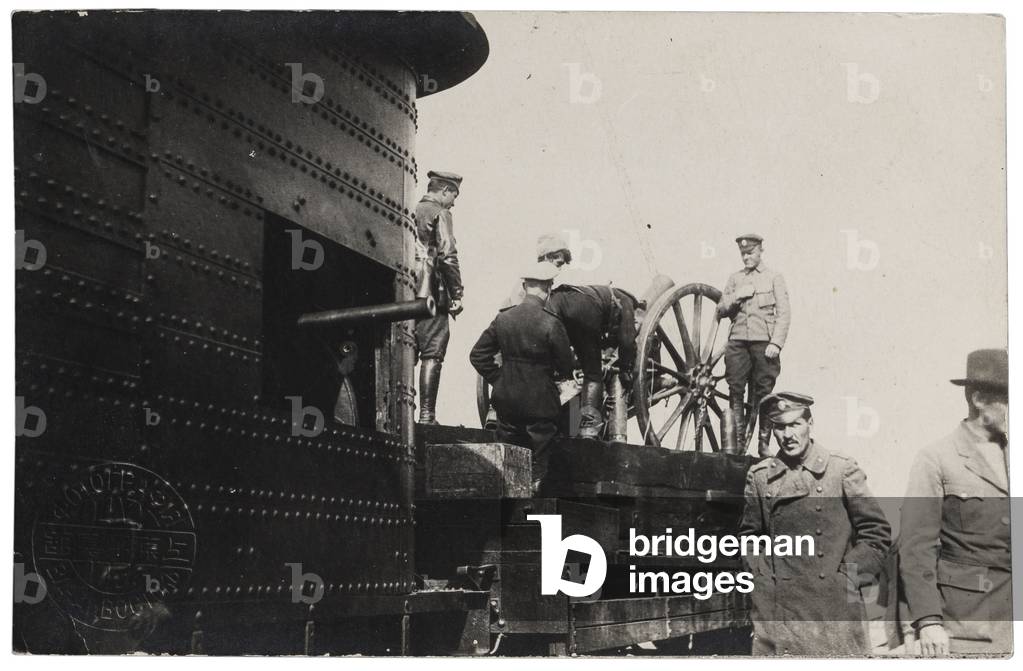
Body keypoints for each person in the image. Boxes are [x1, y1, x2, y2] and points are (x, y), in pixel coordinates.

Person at [739, 391, 892, 656]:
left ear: (810, 423)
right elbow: (749, 538)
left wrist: (845, 579)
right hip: (777, 613)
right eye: (780, 427)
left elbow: (876, 533)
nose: (788, 435)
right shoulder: (761, 477)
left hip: (834, 610)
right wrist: (762, 580)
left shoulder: (840, 470)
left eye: (795, 424)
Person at [898, 349, 1010, 656]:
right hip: (966, 625)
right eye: (1009, 400)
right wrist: (928, 620)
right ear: (979, 399)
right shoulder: (936, 458)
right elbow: (916, 546)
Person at [469, 262, 575, 489]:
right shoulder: (551, 322)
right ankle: (535, 492)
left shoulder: (503, 318)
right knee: (541, 464)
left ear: (525, 286)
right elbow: (566, 367)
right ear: (548, 288)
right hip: (541, 403)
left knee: (507, 458)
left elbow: (477, 355)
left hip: (507, 401)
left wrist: (499, 379)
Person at [717, 234, 791, 456]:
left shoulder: (774, 277)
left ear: (760, 251)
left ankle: (763, 443)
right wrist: (737, 296)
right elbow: (721, 309)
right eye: (743, 254)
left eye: (750, 253)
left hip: (764, 344)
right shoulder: (735, 279)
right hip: (738, 342)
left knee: (764, 392)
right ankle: (738, 444)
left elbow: (784, 314)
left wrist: (776, 343)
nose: (746, 257)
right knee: (735, 390)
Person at [547, 284, 638, 438]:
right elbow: (627, 341)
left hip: (556, 306)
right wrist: (625, 370)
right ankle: (588, 432)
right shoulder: (627, 301)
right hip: (583, 312)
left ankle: (563, 428)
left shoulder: (596, 292)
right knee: (593, 375)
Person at [414, 170, 464, 425]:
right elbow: (447, 254)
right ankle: (426, 415)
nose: (454, 202)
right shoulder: (440, 213)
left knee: (408, 349)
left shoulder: (412, 210)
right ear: (445, 190)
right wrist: (457, 294)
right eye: (454, 195)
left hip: (407, 289)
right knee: (433, 351)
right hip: (431, 291)